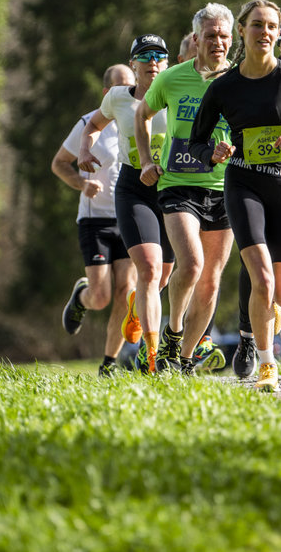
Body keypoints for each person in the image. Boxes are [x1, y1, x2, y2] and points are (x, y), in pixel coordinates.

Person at [189, 0, 281, 392]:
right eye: (257, 25)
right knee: (262, 279)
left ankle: (270, 321)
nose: (265, 32)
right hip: (244, 184)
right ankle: (268, 365)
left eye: (271, 26)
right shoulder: (224, 87)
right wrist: (212, 153)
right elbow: (197, 141)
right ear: (242, 31)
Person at [135, 3, 235, 374]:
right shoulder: (172, 78)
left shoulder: (239, 80)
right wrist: (147, 161)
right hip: (179, 185)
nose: (218, 43)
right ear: (196, 39)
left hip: (225, 187)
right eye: (211, 36)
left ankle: (186, 359)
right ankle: (173, 335)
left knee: (210, 281)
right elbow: (142, 115)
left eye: (225, 36)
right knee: (191, 265)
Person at [79, 35, 175, 372]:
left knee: (162, 279)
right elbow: (93, 124)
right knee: (148, 270)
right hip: (134, 187)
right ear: (133, 64)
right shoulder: (119, 98)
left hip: (172, 188)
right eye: (144, 56)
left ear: (167, 62)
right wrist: (85, 149)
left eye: (159, 56)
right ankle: (152, 358)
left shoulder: (178, 89)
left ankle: (135, 306)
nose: (152, 61)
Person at [53, 64, 139, 377]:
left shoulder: (144, 118)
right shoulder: (88, 123)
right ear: (107, 93)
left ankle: (109, 363)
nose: (128, 92)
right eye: (120, 87)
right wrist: (81, 183)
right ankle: (82, 296)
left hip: (129, 215)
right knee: (101, 297)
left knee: (125, 291)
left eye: (131, 86)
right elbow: (59, 163)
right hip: (96, 220)